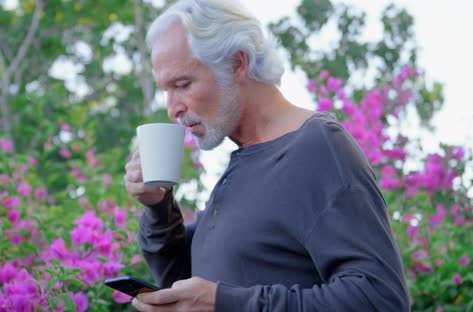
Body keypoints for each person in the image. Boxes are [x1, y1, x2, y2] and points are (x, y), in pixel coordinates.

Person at [123, 0, 410, 311]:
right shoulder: (242, 164)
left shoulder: (318, 147)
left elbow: (380, 299)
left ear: (237, 63)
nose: (172, 108)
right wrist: (158, 206)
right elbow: (182, 279)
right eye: (166, 89)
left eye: (182, 84)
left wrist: (224, 303)